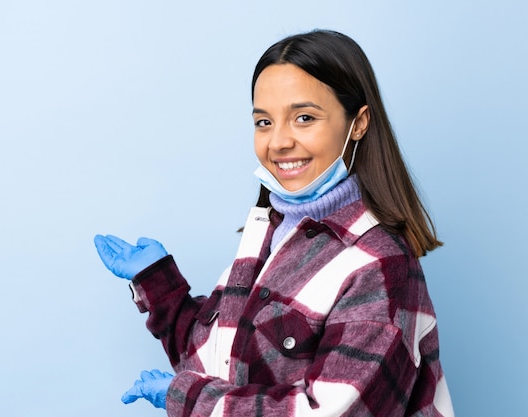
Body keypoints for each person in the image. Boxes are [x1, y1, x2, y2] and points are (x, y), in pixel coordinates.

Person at [94, 29, 454, 417]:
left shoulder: (380, 264)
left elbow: (331, 412)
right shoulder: (268, 234)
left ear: (359, 123)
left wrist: (188, 399)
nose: (278, 142)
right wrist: (159, 287)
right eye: (264, 122)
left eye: (304, 118)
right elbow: (212, 364)